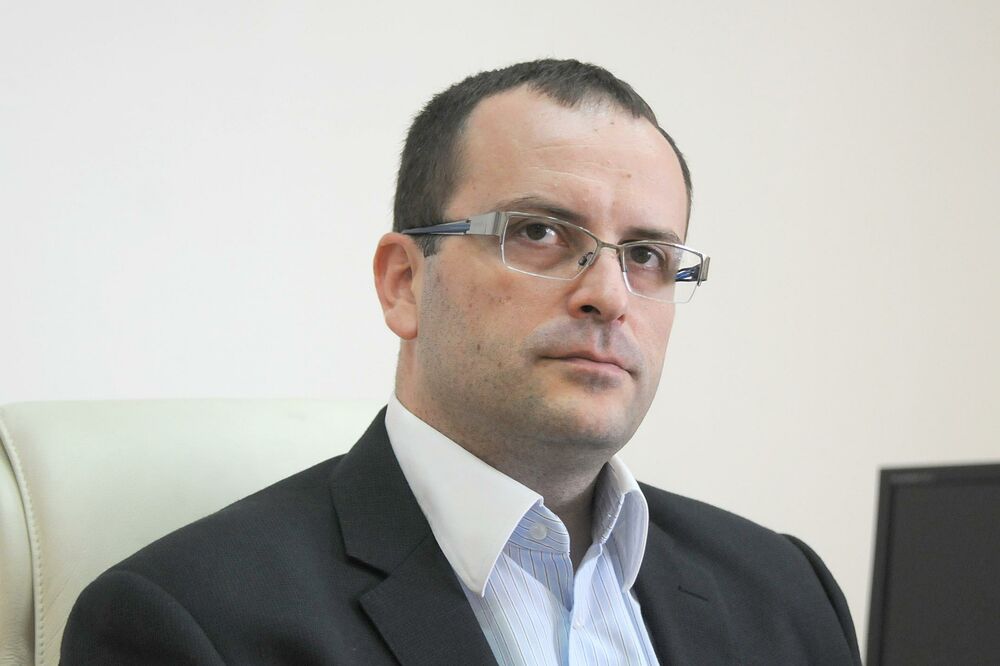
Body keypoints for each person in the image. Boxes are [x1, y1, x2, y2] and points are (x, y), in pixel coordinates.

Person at [62, 59, 862, 665]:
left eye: (647, 254)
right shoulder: (188, 622)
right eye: (540, 234)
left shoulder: (785, 589)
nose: (609, 295)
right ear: (404, 283)